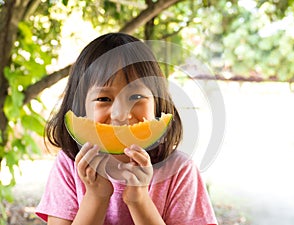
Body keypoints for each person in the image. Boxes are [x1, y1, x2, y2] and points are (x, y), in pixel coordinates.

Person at [35, 32, 218, 225]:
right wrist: (96, 196)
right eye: (104, 99)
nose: (121, 114)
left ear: (158, 104)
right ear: (80, 109)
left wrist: (138, 199)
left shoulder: (179, 171)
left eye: (136, 97)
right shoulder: (69, 166)